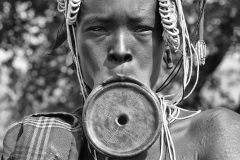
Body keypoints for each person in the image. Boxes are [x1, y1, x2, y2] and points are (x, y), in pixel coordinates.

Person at [2, 0, 240, 159]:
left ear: (167, 47)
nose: (120, 49)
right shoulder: (34, 140)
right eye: (98, 29)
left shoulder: (217, 134)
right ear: (74, 48)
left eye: (141, 29)